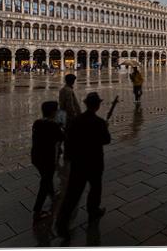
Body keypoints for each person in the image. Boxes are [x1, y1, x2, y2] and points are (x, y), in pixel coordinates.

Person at [56, 92, 111, 238]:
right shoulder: (98, 122)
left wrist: (68, 157)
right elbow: (106, 140)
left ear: (86, 104)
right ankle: (93, 211)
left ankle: (61, 224)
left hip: (78, 162)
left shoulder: (75, 120)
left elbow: (68, 139)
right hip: (95, 161)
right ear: (98, 106)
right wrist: (105, 127)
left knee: (72, 194)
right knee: (95, 188)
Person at [31, 101, 64, 222]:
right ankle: (37, 211)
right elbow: (63, 137)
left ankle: (53, 195)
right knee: (45, 182)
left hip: (36, 157)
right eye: (56, 110)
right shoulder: (53, 125)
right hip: (47, 159)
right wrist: (61, 126)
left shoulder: (37, 122)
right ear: (53, 112)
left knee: (46, 178)